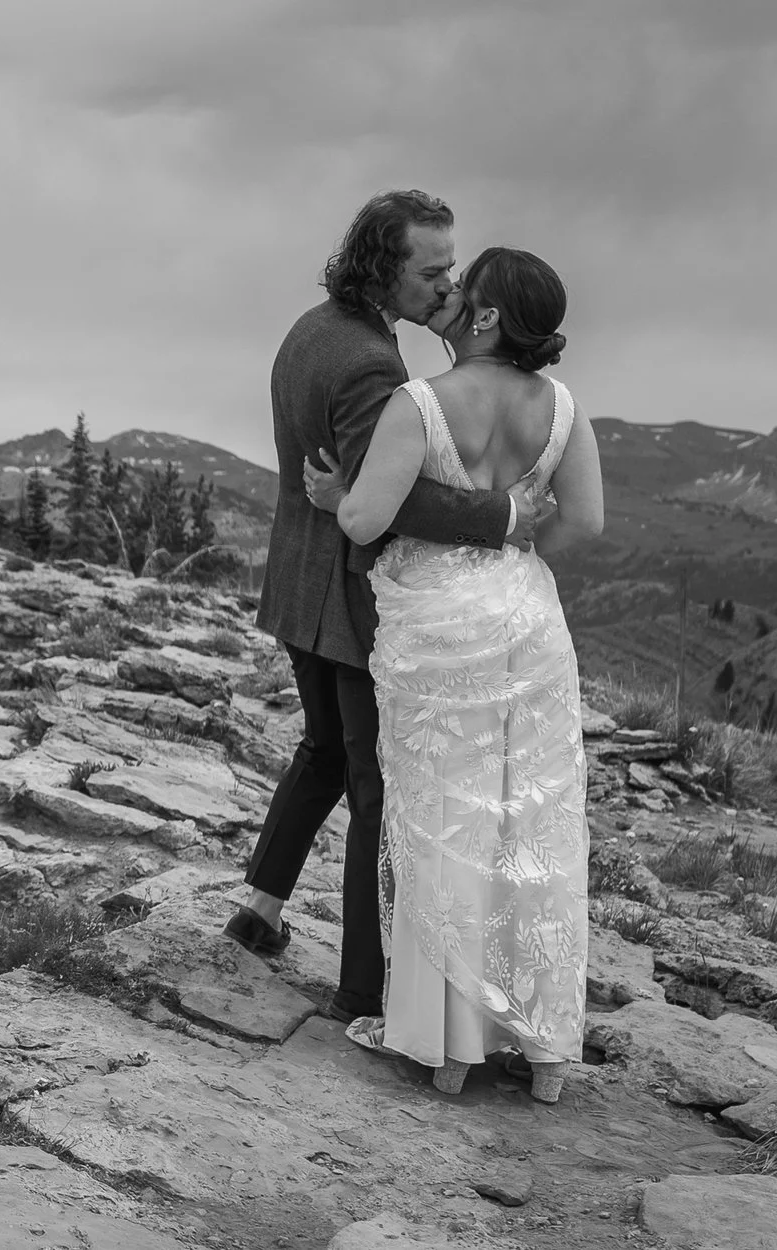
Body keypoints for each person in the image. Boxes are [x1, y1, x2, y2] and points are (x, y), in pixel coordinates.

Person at [228, 190, 546, 1026]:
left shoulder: (314, 326)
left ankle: (257, 908)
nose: (451, 286)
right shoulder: (370, 361)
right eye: (433, 270)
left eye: (452, 268)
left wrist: (447, 338)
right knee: (373, 785)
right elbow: (388, 500)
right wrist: (503, 517)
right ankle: (359, 994)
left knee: (325, 751)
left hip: (297, 582)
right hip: (344, 598)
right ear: (384, 266)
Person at [306, 245, 600, 1104]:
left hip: (437, 624)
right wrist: (518, 551)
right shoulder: (565, 408)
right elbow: (584, 521)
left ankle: (451, 1047)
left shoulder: (420, 404)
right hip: (528, 618)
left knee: (444, 824)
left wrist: (334, 500)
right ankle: (544, 1054)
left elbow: (364, 519)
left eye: (464, 291)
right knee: (533, 824)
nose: (452, 296)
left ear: (486, 316)